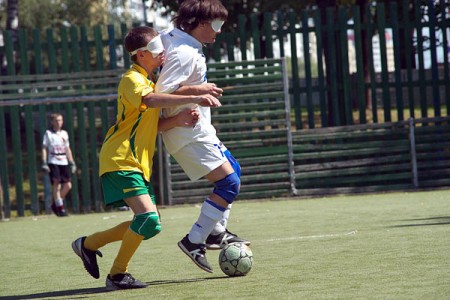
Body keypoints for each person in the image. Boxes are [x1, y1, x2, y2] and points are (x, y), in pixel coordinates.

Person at [71, 26, 221, 290]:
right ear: (140, 55)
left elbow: (152, 125)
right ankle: (118, 275)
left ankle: (88, 244)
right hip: (120, 159)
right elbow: (151, 101)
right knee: (148, 219)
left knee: (151, 226)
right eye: (155, 49)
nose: (162, 52)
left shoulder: (149, 82)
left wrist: (179, 119)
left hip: (136, 164)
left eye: (161, 46)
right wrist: (197, 94)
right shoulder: (132, 80)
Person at [155, 0, 250, 274]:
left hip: (197, 128)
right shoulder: (184, 52)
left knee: (235, 170)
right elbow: (163, 93)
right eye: (217, 25)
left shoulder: (173, 36)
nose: (219, 31)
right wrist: (198, 90)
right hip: (187, 130)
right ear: (200, 23)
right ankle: (193, 240)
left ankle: (215, 232)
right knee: (229, 183)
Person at [42, 113, 77, 217]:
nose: (59, 122)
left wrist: (72, 162)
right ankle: (60, 209)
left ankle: (56, 203)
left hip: (64, 161)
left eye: (60, 120)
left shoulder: (64, 134)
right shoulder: (48, 134)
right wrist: (44, 162)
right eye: (56, 120)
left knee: (68, 185)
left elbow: (67, 149)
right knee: (56, 184)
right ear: (52, 122)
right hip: (53, 161)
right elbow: (44, 148)